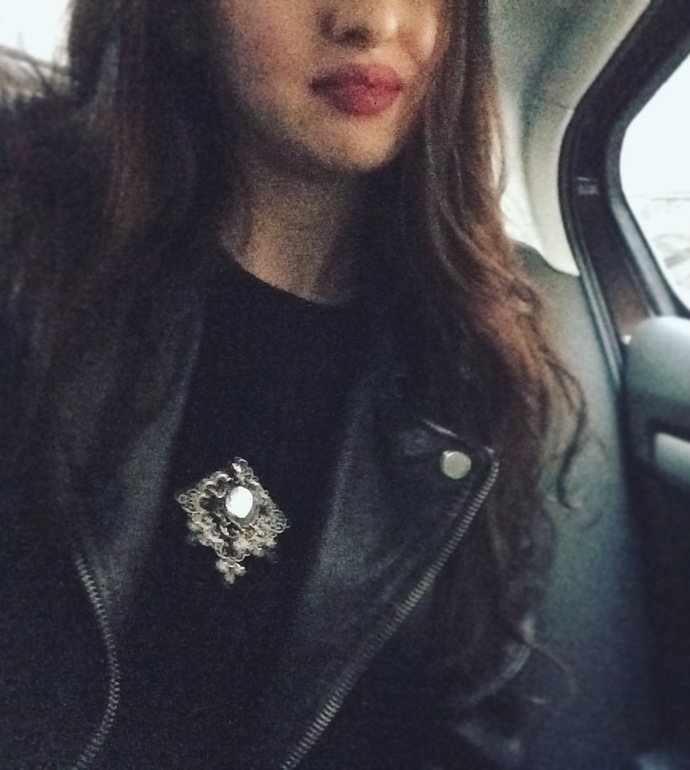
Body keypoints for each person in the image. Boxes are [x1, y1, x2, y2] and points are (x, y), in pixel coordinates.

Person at [0, 0, 581, 767]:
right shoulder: (28, 270)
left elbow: (464, 730)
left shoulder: (482, 375)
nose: (374, 20)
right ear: (182, 19)